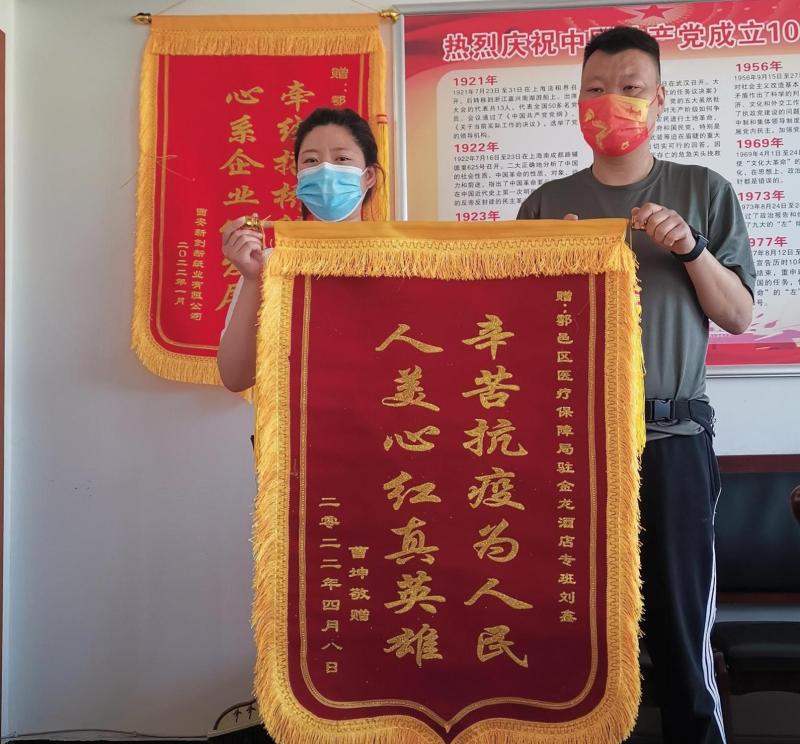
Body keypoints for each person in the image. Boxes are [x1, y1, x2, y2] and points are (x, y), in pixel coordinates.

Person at [517, 26, 755, 744]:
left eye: (629, 87)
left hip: (672, 439)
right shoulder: (544, 204)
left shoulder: (703, 191)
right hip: (573, 453)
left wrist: (689, 246)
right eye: (595, 88)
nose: (611, 101)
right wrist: (551, 271)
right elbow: (515, 340)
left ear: (659, 98)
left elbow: (738, 315)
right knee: (573, 640)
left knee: (682, 644)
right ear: (578, 100)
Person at [216, 107, 380, 392]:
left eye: (341, 158)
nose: (325, 170)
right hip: (295, 419)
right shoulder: (271, 264)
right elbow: (235, 377)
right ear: (299, 178)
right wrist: (254, 280)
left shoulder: (401, 261)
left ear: (369, 177)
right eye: (311, 161)